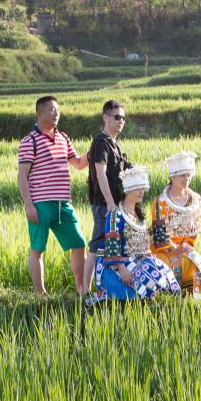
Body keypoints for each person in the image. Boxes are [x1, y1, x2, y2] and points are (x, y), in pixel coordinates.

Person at [17, 96, 89, 295]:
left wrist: (94, 150)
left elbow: (79, 164)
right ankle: (41, 294)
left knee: (78, 243)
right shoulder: (29, 141)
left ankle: (82, 289)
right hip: (40, 203)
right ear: (40, 114)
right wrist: (29, 205)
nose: (56, 113)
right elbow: (22, 175)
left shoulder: (63, 138)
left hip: (63, 204)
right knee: (38, 249)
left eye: (57, 110)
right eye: (51, 110)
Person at [93, 166, 182, 301]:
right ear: (128, 190)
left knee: (162, 274)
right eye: (138, 188)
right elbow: (112, 247)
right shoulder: (115, 215)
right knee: (142, 287)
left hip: (137, 261)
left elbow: (145, 242)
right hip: (116, 265)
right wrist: (122, 269)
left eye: (143, 188)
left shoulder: (139, 216)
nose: (142, 192)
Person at [84, 100, 132, 290]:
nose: (121, 121)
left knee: (112, 244)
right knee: (96, 245)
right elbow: (100, 173)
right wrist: (111, 204)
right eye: (117, 117)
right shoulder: (101, 143)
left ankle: (107, 286)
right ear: (105, 118)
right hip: (104, 204)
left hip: (114, 203)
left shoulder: (115, 144)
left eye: (123, 118)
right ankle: (84, 291)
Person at [151, 151, 201, 297]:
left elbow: (194, 229)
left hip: (184, 247)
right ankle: (166, 298)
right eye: (182, 175)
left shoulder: (195, 200)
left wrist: (183, 247)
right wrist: (174, 249)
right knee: (165, 263)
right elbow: (159, 235)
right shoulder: (160, 202)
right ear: (172, 176)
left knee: (194, 259)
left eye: (188, 175)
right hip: (163, 250)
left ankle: (193, 298)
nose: (186, 178)